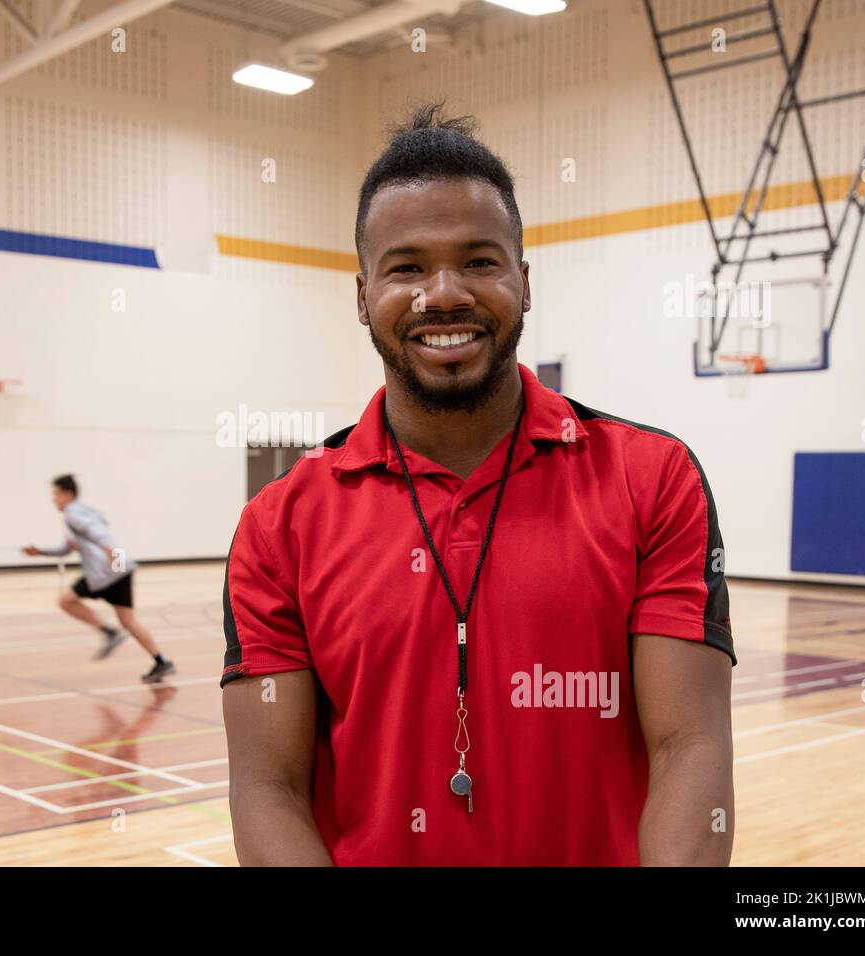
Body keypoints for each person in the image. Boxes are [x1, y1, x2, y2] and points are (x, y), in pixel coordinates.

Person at [220, 102, 736, 866]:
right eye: (406, 267)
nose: (444, 293)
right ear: (362, 295)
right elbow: (268, 789)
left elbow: (688, 746)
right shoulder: (279, 524)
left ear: (523, 283)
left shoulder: (652, 480)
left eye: (479, 260)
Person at [24, 474, 175, 683]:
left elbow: (97, 533)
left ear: (68, 494)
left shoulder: (73, 514)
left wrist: (110, 550)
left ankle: (108, 632)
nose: (54, 499)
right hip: (120, 569)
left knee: (65, 601)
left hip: (105, 572)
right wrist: (41, 552)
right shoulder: (81, 512)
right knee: (128, 621)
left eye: (56, 494)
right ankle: (162, 661)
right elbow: (67, 548)